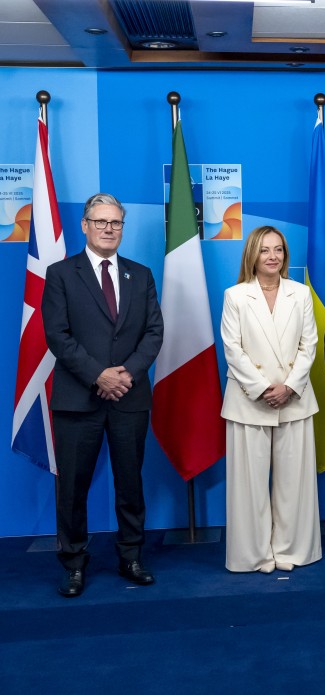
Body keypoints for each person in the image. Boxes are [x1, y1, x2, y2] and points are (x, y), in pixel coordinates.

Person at [42, 193, 164, 597]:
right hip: (78, 400)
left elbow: (154, 332)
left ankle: (131, 557)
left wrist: (126, 373)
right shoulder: (61, 274)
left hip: (129, 396)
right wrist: (98, 375)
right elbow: (57, 335)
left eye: (116, 223)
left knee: (130, 484)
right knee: (73, 488)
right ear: (85, 225)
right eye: (101, 222)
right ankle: (74, 563)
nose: (109, 229)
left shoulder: (140, 275)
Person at [220, 226, 322, 573]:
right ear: (252, 254)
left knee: (294, 484)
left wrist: (289, 386)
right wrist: (263, 388)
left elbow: (309, 345)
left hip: (294, 398)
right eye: (265, 250)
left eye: (278, 249)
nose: (273, 256)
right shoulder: (235, 295)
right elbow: (233, 349)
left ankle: (292, 550)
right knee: (248, 486)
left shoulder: (300, 293)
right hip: (249, 401)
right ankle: (254, 555)